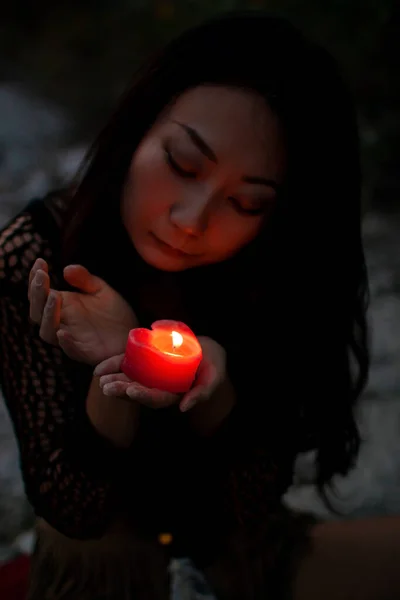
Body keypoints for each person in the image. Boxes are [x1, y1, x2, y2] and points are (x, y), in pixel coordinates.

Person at [1, 9, 400, 600]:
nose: (191, 223)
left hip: (237, 554)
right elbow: (76, 513)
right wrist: (121, 367)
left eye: (246, 202)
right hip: (99, 573)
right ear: (137, 127)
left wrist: (219, 397)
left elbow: (254, 505)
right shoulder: (37, 255)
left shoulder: (274, 272)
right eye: (182, 165)